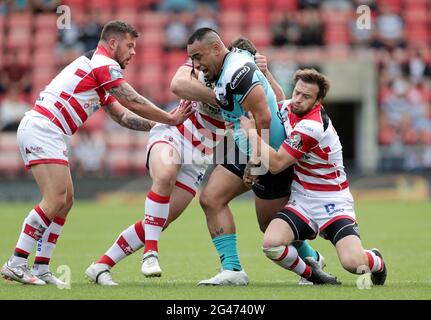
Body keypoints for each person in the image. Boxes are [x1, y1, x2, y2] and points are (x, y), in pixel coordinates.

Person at [0, 20, 192, 286]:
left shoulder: (97, 70)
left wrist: (157, 125)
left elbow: (122, 115)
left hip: (48, 131)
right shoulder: (103, 64)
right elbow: (132, 99)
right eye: (129, 45)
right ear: (112, 43)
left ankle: (41, 267)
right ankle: (17, 262)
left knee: (65, 201)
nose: (133, 52)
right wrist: (170, 119)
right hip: (44, 129)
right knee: (55, 199)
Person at [187, 29, 333, 285]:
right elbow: (177, 84)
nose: (195, 65)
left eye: (198, 57)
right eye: (192, 59)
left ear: (216, 49)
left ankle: (312, 260)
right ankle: (232, 270)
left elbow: (264, 118)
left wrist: (256, 164)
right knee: (210, 198)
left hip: (269, 151)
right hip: (246, 144)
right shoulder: (219, 67)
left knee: (269, 225)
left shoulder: (238, 72)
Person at [240, 69, 386, 285]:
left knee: (354, 264)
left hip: (332, 201)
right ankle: (312, 274)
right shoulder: (290, 106)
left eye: (306, 96)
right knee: (271, 244)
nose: (298, 99)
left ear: (318, 100)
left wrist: (251, 133)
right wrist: (267, 73)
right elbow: (279, 100)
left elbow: (278, 163)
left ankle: (376, 260)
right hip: (302, 200)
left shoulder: (313, 126)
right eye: (297, 92)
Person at [85, 58, 225, 285]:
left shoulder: (243, 85)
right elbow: (177, 85)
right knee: (164, 176)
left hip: (200, 156)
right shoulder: (199, 62)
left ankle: (101, 266)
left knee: (159, 220)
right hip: (174, 133)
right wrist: (218, 98)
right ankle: (150, 252)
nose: (197, 60)